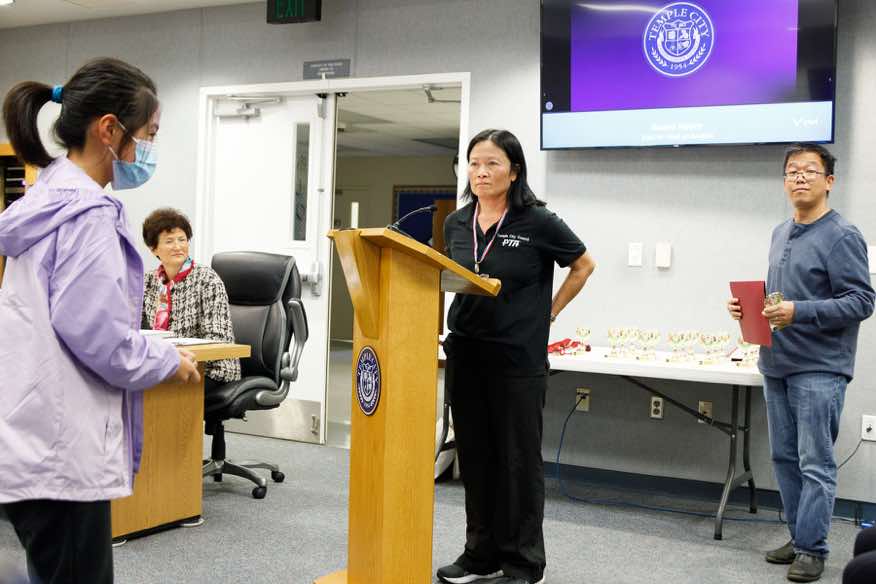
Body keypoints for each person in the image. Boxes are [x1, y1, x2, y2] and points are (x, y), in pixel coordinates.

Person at [0, 58, 200, 584]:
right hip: (62, 452)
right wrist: (165, 359)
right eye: (148, 134)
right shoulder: (88, 216)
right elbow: (100, 338)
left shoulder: (45, 199)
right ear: (108, 129)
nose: (149, 148)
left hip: (32, 437)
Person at [437, 129, 596, 584]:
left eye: (492, 163)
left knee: (517, 461)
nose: (481, 172)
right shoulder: (457, 222)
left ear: (514, 171)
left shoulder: (537, 221)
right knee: (475, 457)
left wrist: (550, 312)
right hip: (467, 350)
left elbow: (583, 264)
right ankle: (480, 554)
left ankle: (524, 563)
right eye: (474, 163)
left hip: (517, 358)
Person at [728, 143, 874, 583]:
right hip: (776, 362)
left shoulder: (843, 235)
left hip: (819, 367)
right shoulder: (780, 232)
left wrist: (799, 311)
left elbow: (862, 301)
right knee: (784, 459)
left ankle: (813, 548)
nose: (800, 177)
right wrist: (747, 309)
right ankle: (800, 536)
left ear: (829, 181)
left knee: (815, 462)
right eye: (792, 171)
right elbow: (780, 298)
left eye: (810, 170)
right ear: (784, 181)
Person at [141, 207, 241, 392]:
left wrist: (174, 358)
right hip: (167, 366)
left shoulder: (207, 279)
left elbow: (218, 340)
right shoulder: (147, 281)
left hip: (211, 369)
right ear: (153, 248)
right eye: (169, 241)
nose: (178, 246)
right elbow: (134, 330)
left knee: (156, 393)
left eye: (182, 239)